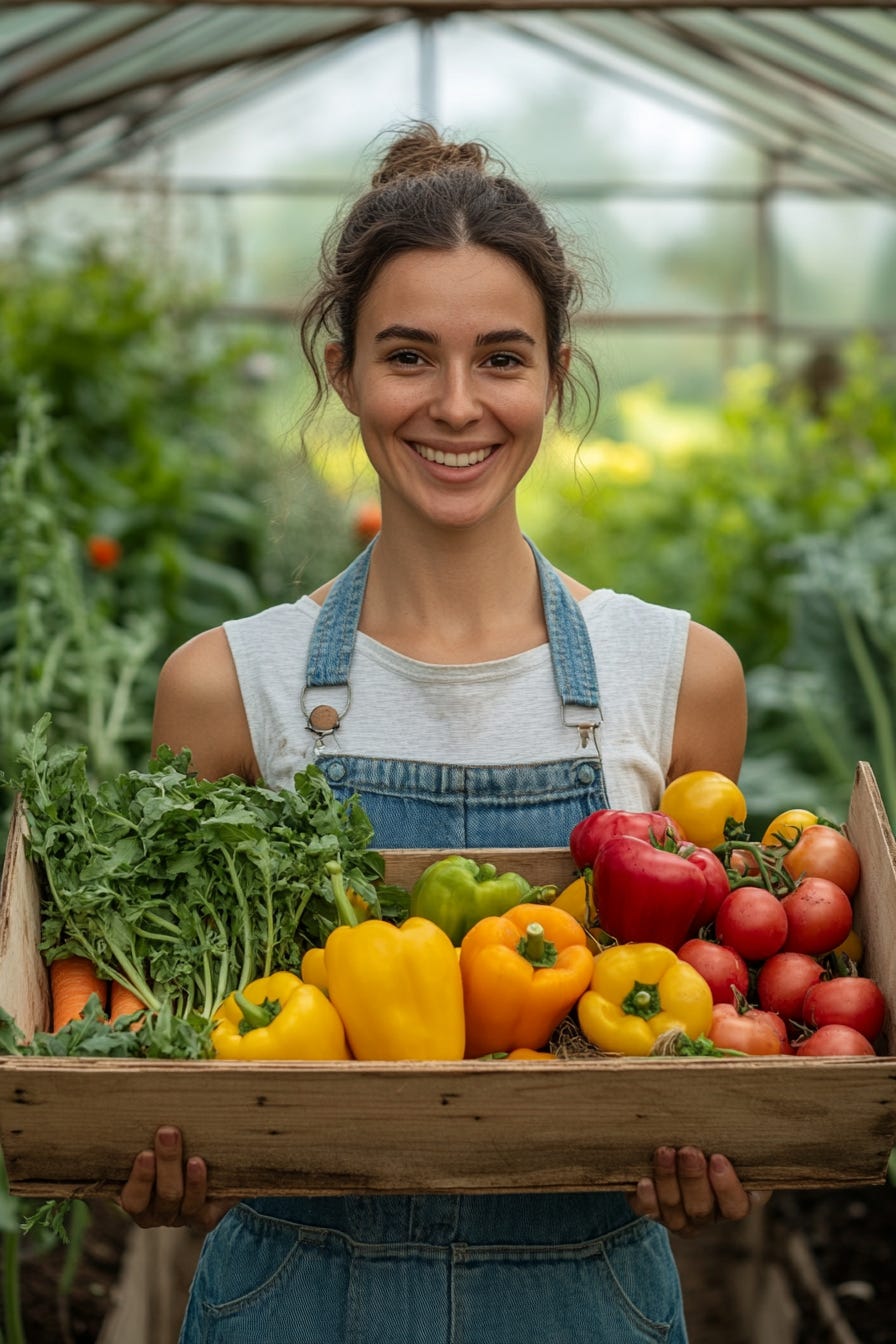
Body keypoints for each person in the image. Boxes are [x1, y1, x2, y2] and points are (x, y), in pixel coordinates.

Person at [120, 122, 761, 1343]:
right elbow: (170, 1038)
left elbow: (703, 1003)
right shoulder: (223, 684)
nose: (456, 406)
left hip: (584, 1295)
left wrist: (715, 1143)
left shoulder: (675, 673)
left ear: (555, 374)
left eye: (501, 358)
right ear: (343, 368)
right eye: (408, 355)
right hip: (293, 1296)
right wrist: (148, 1153)